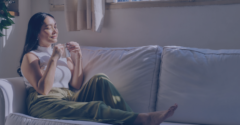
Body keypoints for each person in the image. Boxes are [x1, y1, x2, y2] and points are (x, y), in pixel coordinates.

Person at [17, 12, 178, 125]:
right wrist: (53, 59)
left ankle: (135, 120)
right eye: (48, 27)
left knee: (100, 79)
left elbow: (77, 85)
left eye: (55, 26)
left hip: (67, 97)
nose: (55, 31)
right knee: (94, 107)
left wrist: (78, 56)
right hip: (44, 103)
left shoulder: (61, 52)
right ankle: (144, 120)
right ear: (37, 33)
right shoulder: (31, 56)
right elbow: (43, 89)